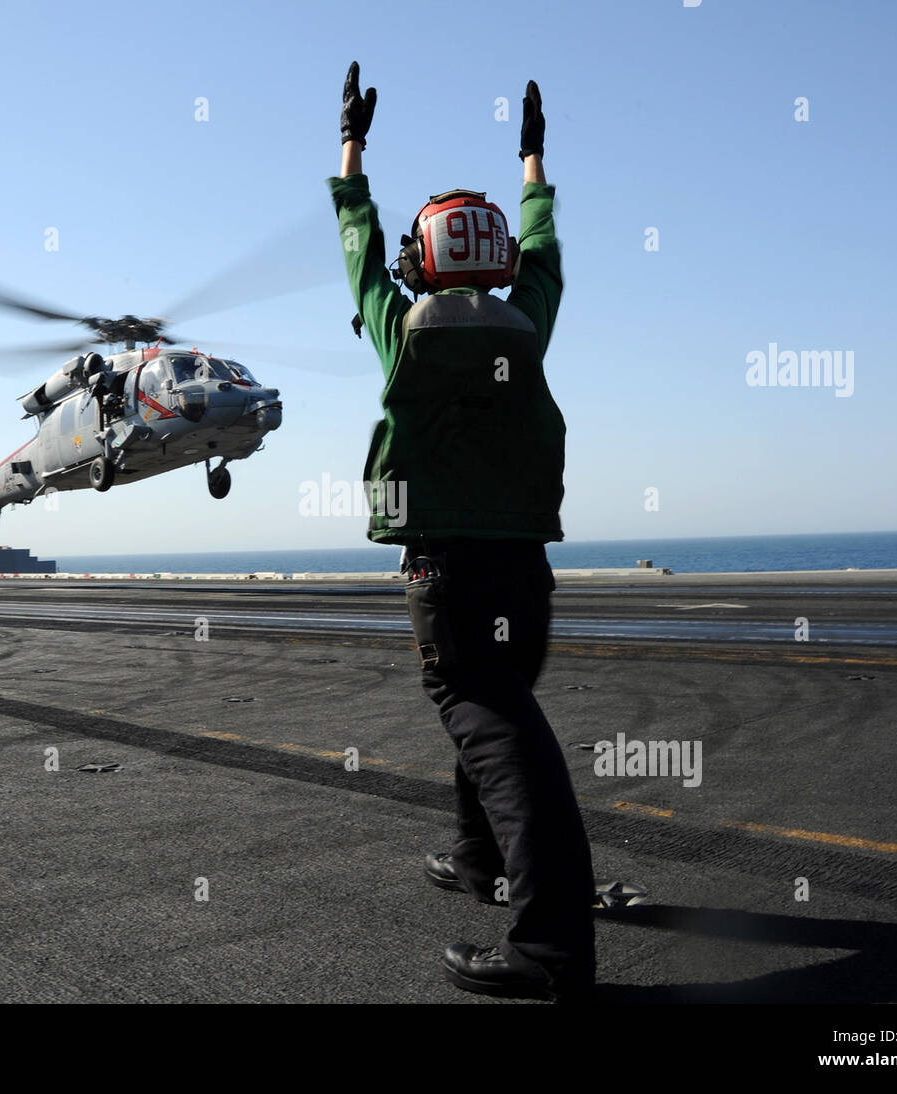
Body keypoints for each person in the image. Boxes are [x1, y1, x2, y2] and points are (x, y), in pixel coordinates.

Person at [328, 62, 596, 1001]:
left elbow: (358, 244)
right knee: (494, 711)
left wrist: (352, 147)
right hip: (526, 569)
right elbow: (546, 253)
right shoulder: (527, 323)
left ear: (426, 261)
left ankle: (554, 948)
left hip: (445, 565)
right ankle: (474, 857)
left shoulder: (404, 332)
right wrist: (533, 161)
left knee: (489, 723)